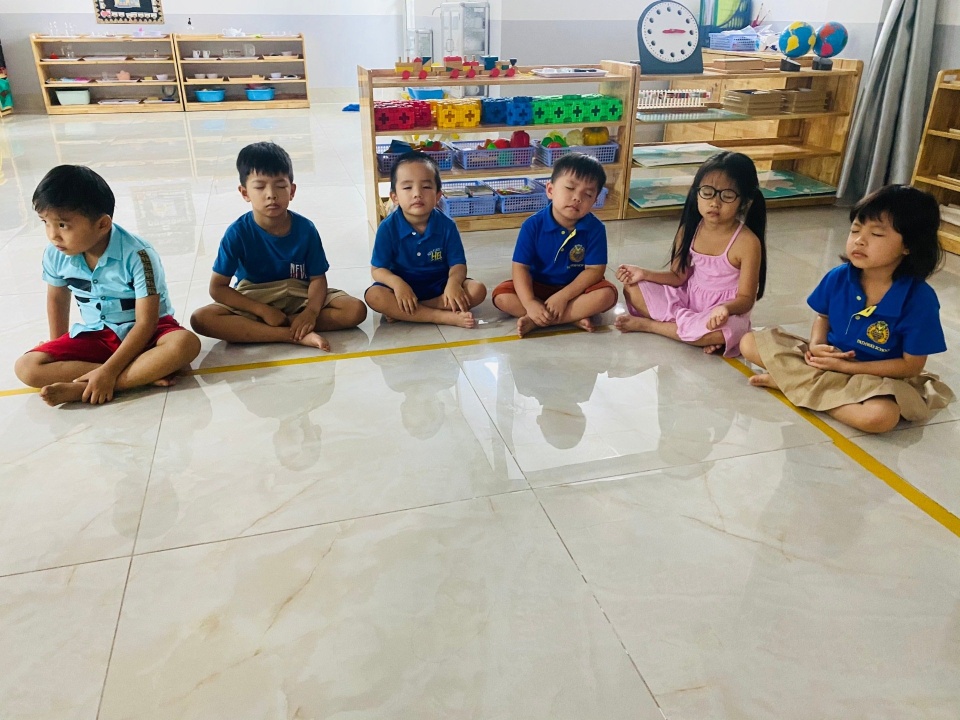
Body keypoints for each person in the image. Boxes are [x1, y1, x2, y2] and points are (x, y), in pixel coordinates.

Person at [741, 184, 954, 433]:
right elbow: (823, 316)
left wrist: (848, 368)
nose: (859, 240)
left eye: (876, 234)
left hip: (876, 377)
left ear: (909, 245)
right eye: (855, 230)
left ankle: (796, 388)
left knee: (879, 418)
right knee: (749, 342)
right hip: (828, 361)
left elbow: (911, 366)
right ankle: (816, 391)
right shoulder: (840, 276)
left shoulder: (919, 299)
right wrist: (816, 345)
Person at [14, 165, 201, 406]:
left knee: (185, 344)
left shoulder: (139, 255)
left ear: (102, 224)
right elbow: (57, 300)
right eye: (45, 223)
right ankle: (140, 374)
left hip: (147, 334)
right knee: (26, 368)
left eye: (62, 225)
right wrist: (58, 346)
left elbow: (147, 322)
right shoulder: (55, 254)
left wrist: (109, 371)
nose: (53, 235)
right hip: (97, 334)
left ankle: (90, 385)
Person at [190, 142, 367, 351]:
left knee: (354, 310)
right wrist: (262, 310)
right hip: (254, 295)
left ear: (292, 190)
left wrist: (310, 312)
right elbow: (217, 288)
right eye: (260, 187)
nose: (271, 194)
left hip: (299, 293)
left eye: (280, 186)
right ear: (245, 192)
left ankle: (277, 326)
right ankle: (290, 335)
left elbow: (317, 279)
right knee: (201, 319)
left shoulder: (306, 229)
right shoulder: (237, 233)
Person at [615, 151, 767, 357]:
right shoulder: (689, 230)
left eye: (727, 195)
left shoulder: (747, 242)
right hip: (688, 299)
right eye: (707, 192)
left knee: (725, 331)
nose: (715, 203)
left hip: (723, 312)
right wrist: (643, 273)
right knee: (632, 288)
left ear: (745, 201)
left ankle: (651, 325)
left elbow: (746, 299)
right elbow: (678, 277)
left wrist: (725, 309)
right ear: (696, 193)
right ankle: (691, 331)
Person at [491, 153, 618, 337]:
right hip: (537, 286)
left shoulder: (595, 228)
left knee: (607, 295)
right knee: (501, 296)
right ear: (550, 190)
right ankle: (569, 317)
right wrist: (529, 302)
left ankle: (538, 320)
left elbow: (595, 271)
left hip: (575, 290)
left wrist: (563, 296)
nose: (577, 198)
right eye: (570, 188)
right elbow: (520, 267)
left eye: (588, 194)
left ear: (595, 200)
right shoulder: (532, 225)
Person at [365, 151, 486, 328]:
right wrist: (398, 285)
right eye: (408, 187)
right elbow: (378, 269)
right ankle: (440, 316)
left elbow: (458, 265)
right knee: (374, 296)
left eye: (426, 187)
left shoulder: (447, 226)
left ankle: (407, 310)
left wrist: (453, 284)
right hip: (402, 288)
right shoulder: (387, 228)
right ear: (394, 197)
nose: (417, 194)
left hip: (439, 286)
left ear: (438, 196)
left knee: (478, 290)